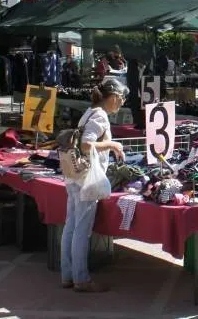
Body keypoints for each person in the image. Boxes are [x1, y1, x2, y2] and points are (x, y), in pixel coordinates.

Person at [61, 78, 127, 293]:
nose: (122, 103)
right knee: (81, 229)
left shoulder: (89, 112)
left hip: (75, 177)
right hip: (87, 180)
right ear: (115, 97)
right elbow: (86, 143)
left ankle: (68, 275)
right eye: (122, 99)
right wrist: (113, 144)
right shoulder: (100, 116)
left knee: (71, 226)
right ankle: (81, 279)